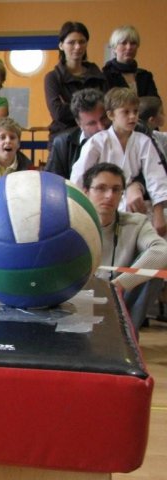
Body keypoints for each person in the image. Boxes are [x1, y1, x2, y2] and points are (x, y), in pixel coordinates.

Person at [70, 88, 167, 236]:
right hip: (102, 204)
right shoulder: (96, 142)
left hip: (135, 206)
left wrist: (159, 214)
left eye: (135, 111)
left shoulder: (144, 142)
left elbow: (156, 178)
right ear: (111, 115)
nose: (132, 117)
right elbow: (79, 178)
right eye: (126, 112)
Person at [84, 163, 167, 336]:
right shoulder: (69, 222)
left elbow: (162, 252)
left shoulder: (136, 222)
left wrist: (117, 286)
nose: (109, 196)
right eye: (101, 188)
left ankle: (126, 333)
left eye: (116, 190)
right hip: (75, 294)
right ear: (86, 191)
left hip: (117, 294)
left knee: (157, 271)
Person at [44, 21, 107, 143]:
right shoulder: (52, 77)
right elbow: (58, 114)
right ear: (61, 45)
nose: (77, 47)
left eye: (82, 42)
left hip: (97, 136)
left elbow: (106, 108)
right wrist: (92, 108)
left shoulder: (99, 75)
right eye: (71, 42)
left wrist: (68, 106)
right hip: (64, 140)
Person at [45, 88, 110, 179]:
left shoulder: (126, 135)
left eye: (103, 118)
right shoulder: (63, 144)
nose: (101, 127)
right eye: (92, 123)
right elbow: (52, 183)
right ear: (79, 123)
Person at [103, 25, 159, 98]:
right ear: (114, 48)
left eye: (133, 43)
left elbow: (154, 103)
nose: (129, 47)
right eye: (123, 43)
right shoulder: (105, 75)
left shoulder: (145, 76)